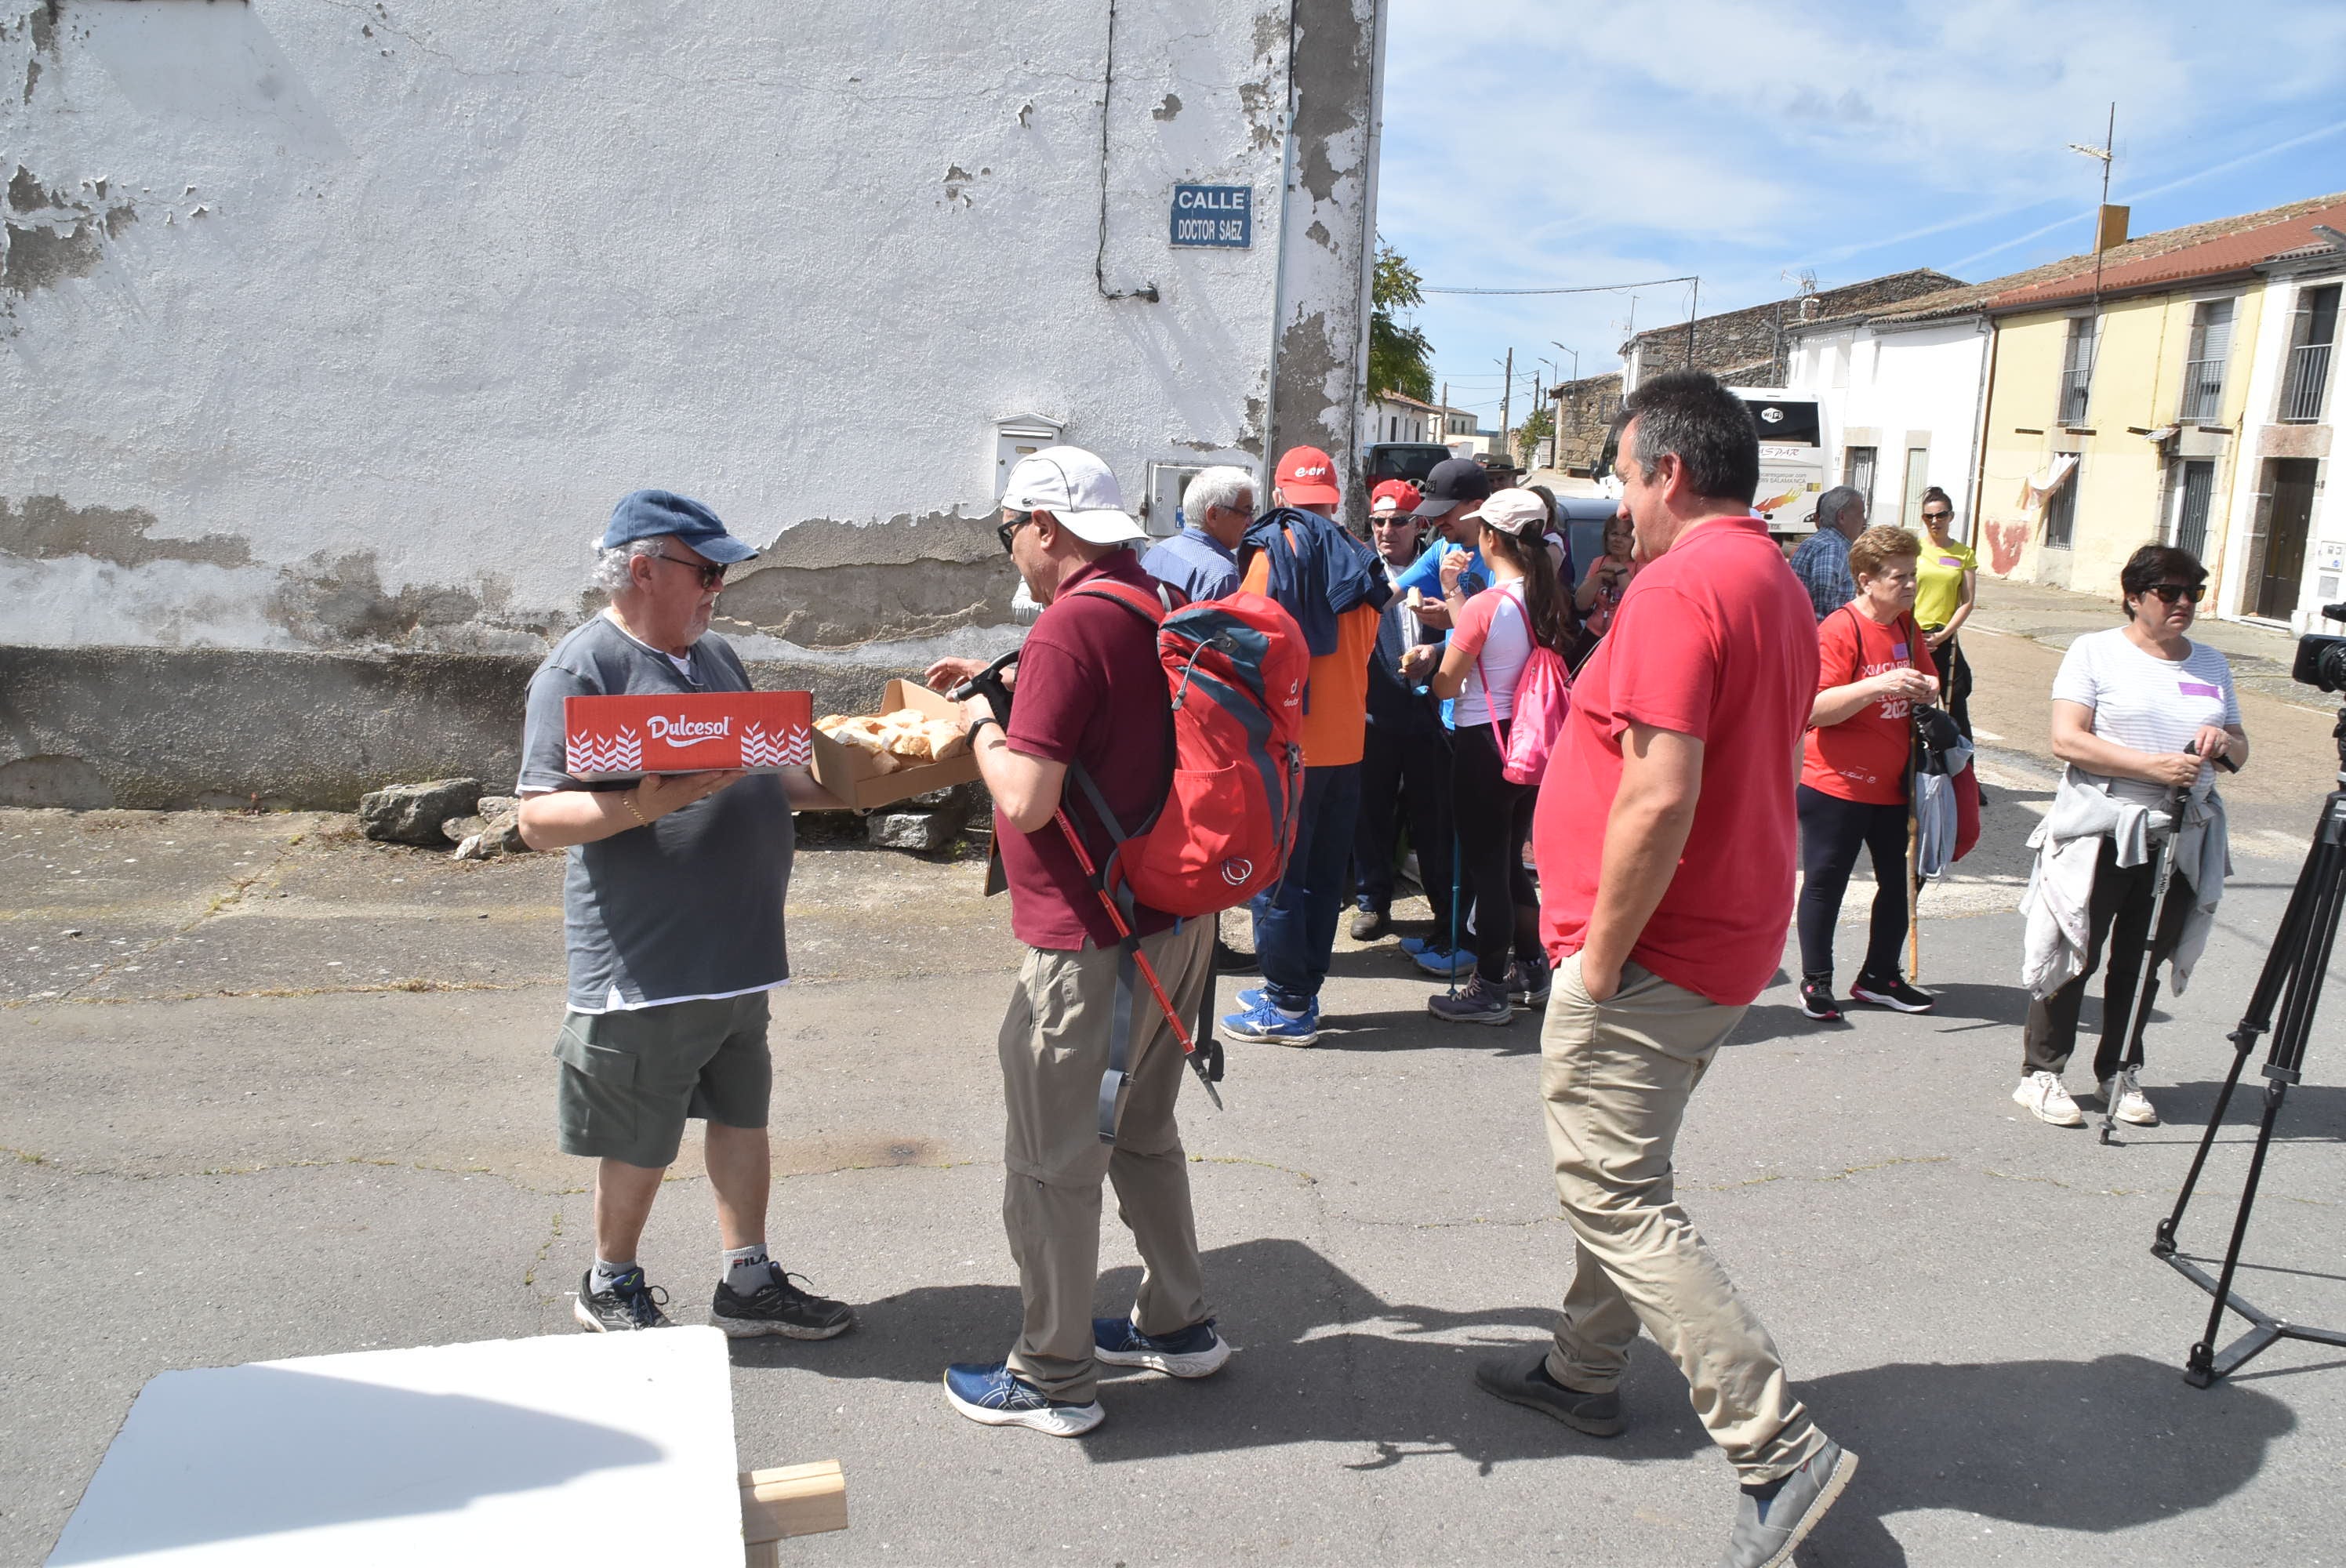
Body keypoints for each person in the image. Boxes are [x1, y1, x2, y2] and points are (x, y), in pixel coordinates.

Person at [1476, 372, 1855, 1568]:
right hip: (1723, 940)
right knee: (1620, 1165)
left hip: (1654, 951)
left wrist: (1596, 957)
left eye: (1625, 479)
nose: (1619, 504)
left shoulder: (1683, 583)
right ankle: (1585, 1370)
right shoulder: (1775, 579)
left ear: (1670, 473)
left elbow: (1658, 788)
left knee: (1614, 1190)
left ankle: (1776, 1443)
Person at [921, 446, 1229, 1436]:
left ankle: (1052, 1375)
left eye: (1006, 528)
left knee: (1053, 1158)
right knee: (1142, 1130)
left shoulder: (1066, 628)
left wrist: (975, 720)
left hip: (1089, 940)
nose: (1007, 546)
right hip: (1174, 923)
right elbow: (1106, 727)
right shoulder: (1149, 599)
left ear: (1043, 527)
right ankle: (1179, 1324)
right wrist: (1005, 684)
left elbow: (1027, 791)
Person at [516, 490, 858, 1341]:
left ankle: (748, 1280)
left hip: (740, 951)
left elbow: (776, 776)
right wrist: (642, 803)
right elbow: (534, 818)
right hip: (645, 962)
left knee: (743, 1115)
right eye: (705, 571)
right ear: (642, 568)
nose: (718, 590)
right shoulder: (580, 666)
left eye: (723, 575)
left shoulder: (717, 656)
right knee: (642, 1134)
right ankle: (609, 1278)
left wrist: (892, 771)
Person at [2014, 544, 2247, 1131]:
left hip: (2179, 836)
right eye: (2169, 592)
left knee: (2143, 960)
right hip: (2103, 826)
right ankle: (2041, 1073)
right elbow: (2067, 740)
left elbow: (2241, 747)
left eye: (2193, 590)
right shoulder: (2094, 651)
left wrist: (2223, 745)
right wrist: (2153, 768)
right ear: (2135, 596)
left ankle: (2120, 1068)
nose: (2184, 602)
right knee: (2075, 947)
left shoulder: (2212, 664)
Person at [1218, 446, 1389, 1047]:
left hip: (1290, 748)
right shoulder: (1363, 560)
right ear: (1336, 497)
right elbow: (1368, 651)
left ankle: (1287, 1006)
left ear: (1280, 492)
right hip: (1347, 743)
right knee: (1321, 878)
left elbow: (1251, 648)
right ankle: (1300, 992)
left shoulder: (1274, 554)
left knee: (1278, 880)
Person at [1401, 488, 1572, 1022]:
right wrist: (1454, 594)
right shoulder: (1544, 596)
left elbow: (1449, 686)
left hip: (1482, 745)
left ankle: (1490, 987)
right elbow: (1490, 637)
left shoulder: (1487, 605)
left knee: (1487, 872)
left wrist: (1422, 670)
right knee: (1510, 866)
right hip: (1527, 742)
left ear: (1492, 537)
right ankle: (1532, 966)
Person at [1795, 525, 1941, 1023]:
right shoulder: (1840, 629)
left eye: (1913, 575)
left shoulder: (1906, 625)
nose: (1910, 586)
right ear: (1866, 580)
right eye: (1899, 577)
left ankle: (1879, 975)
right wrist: (1879, 687)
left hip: (1894, 784)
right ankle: (1816, 980)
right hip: (1835, 783)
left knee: (1903, 881)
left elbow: (1931, 678)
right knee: (1826, 882)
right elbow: (1816, 708)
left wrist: (1925, 687)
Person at [1349, 480, 1457, 945]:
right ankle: (1373, 901)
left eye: (1398, 522)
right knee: (1371, 813)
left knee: (1433, 817)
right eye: (1378, 521)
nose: (1387, 531)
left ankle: (1443, 910)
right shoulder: (1359, 572)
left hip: (1432, 716)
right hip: (1376, 716)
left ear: (1419, 525)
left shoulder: (1441, 570)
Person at [1911, 487, 1978, 739]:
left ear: (1951, 517)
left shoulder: (1963, 554)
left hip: (1943, 636)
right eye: (1929, 516)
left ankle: (1963, 771)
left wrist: (1944, 635)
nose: (1935, 522)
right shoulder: (1914, 550)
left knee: (1956, 701)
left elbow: (1967, 601)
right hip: (1913, 634)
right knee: (1913, 702)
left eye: (1941, 515)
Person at [1139, 466, 1253, 604]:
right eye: (1246, 512)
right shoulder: (1223, 575)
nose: (1250, 522)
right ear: (1214, 515)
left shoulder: (1157, 551)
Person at [1788, 485, 1865, 622]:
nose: (1864, 522)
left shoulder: (1816, 542)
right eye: (1861, 514)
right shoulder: (1832, 548)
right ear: (1841, 516)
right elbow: (1823, 613)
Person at [1574, 506, 1638, 640]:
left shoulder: (1642, 566)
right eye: (1614, 534)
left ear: (1634, 539)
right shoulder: (1599, 562)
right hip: (1592, 634)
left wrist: (1620, 571)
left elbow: (1635, 604)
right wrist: (1599, 577)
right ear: (1606, 537)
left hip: (1623, 637)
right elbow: (1581, 604)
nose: (1618, 540)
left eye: (1626, 536)